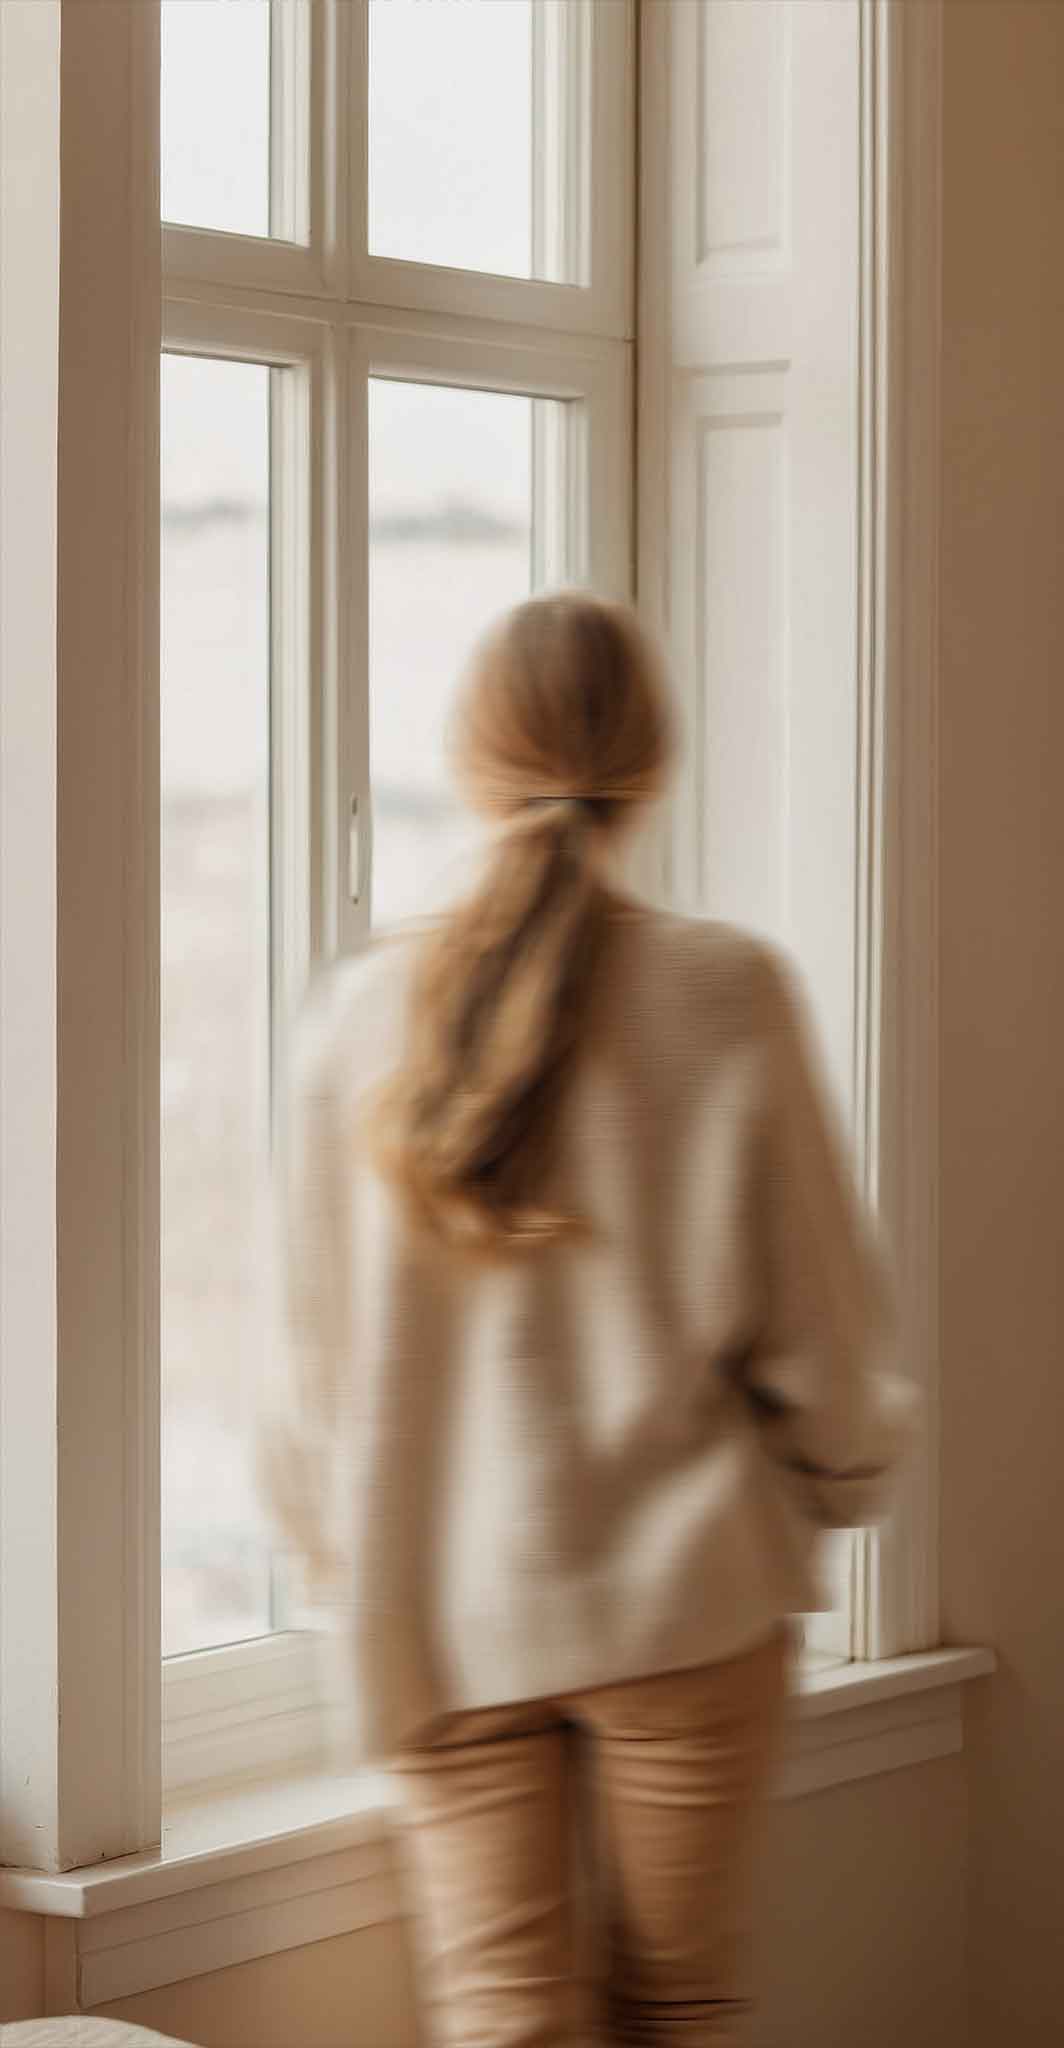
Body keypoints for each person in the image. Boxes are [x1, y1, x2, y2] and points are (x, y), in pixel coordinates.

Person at [259, 592, 915, 2048]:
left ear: (471, 758)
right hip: (684, 1599)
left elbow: (309, 1380)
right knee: (678, 2008)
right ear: (654, 762)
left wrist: (341, 1562)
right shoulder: (726, 993)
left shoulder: (355, 1015)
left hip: (432, 1609)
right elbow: (829, 1340)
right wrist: (839, 1492)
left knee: (505, 2023)